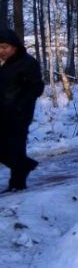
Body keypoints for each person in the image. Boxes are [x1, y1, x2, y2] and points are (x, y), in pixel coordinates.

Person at [0, 28, 45, 192]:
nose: (1, 51)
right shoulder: (2, 63)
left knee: (16, 147)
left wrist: (20, 106)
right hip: (2, 113)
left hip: (18, 113)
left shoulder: (28, 63)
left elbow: (37, 88)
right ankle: (23, 167)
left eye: (4, 47)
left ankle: (17, 184)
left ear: (14, 46)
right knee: (10, 150)